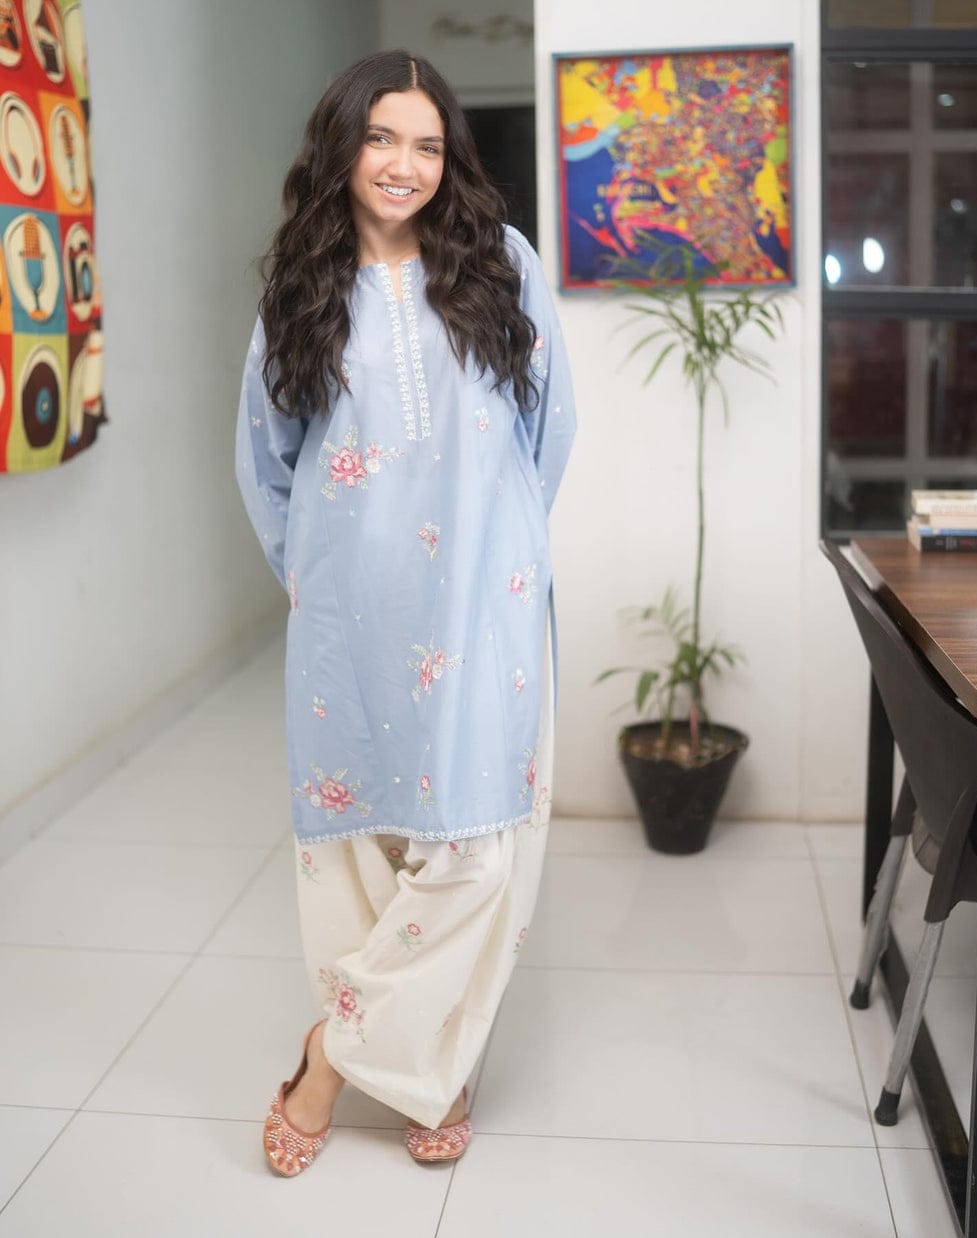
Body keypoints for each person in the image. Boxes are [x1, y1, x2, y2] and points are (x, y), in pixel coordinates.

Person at [235, 48, 576, 1176]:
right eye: (382, 137)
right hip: (348, 604)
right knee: (361, 843)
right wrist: (317, 576)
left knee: (476, 841)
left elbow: (549, 427)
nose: (404, 164)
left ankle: (328, 1063)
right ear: (342, 146)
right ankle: (440, 1063)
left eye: (428, 145)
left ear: (450, 159)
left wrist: (500, 552)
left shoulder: (502, 264)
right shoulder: (300, 288)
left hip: (485, 597)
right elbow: (267, 460)